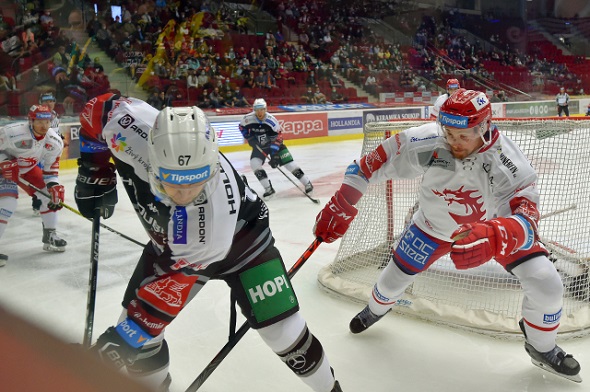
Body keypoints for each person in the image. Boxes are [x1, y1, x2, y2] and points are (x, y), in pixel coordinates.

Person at [75, 94, 343, 392]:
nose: (184, 194)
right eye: (171, 181)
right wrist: (94, 169)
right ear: (153, 154)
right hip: (172, 248)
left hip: (243, 241)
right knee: (144, 341)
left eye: (196, 180)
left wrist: (120, 344)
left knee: (284, 333)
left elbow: (164, 297)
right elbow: (95, 111)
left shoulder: (212, 218)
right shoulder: (122, 123)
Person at [313, 89, 581, 383]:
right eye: (448, 133)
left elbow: (528, 217)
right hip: (430, 228)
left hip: (491, 233)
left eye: (462, 136)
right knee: (390, 283)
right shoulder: (429, 140)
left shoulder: (508, 160)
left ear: (484, 127)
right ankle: (375, 309)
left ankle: (542, 347)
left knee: (546, 282)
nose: (453, 143)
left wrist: (496, 234)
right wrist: (342, 203)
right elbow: (367, 166)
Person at [0, 105, 67, 267]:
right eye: (39, 121)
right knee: (8, 203)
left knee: (49, 195)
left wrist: (54, 185)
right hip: (3, 170)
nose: (44, 126)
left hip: (26, 170)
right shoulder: (11, 132)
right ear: (30, 121)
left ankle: (50, 235)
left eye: (47, 121)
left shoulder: (54, 141)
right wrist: (4, 161)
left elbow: (51, 169)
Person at [239, 98, 314, 199]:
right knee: (254, 164)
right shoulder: (247, 119)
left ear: (265, 109)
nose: (259, 112)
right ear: (254, 110)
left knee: (290, 165)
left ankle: (307, 183)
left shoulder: (272, 121)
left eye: (262, 109)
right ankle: (268, 189)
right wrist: (249, 138)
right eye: (257, 110)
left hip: (275, 146)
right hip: (260, 147)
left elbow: (278, 137)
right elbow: (241, 127)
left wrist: (274, 155)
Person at [31, 92, 62, 216]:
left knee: (50, 178)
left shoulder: (55, 115)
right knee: (38, 179)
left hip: (50, 152)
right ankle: (36, 205)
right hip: (38, 152)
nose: (49, 103)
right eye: (46, 100)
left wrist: (61, 139)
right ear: (40, 102)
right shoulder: (36, 115)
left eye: (51, 100)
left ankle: (48, 201)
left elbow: (55, 132)